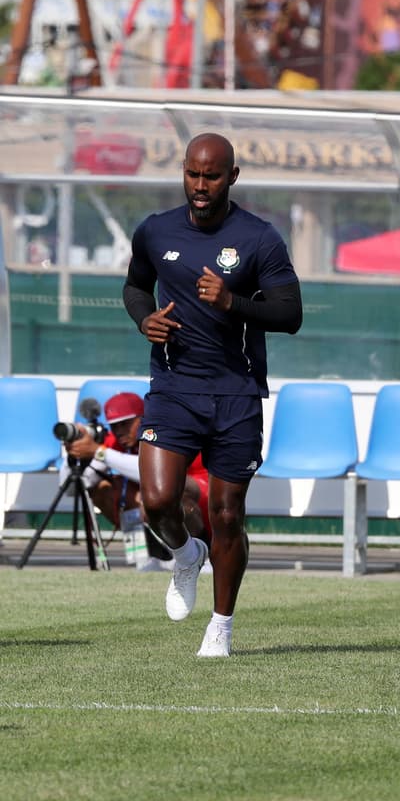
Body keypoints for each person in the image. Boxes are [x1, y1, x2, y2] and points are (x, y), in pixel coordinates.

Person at [123, 132, 302, 658]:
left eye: (213, 176)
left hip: (236, 393)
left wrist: (233, 302)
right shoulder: (155, 231)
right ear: (183, 171)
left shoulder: (259, 239)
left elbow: (290, 314)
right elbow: (135, 285)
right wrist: (144, 319)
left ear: (232, 177)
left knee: (228, 514)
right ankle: (184, 555)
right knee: (157, 501)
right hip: (174, 389)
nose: (201, 186)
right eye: (193, 175)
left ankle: (221, 624)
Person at [63, 391, 212, 571]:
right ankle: (156, 555)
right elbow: (73, 488)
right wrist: (74, 453)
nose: (119, 432)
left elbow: (156, 474)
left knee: (162, 490)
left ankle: (200, 555)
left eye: (125, 424)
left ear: (143, 418)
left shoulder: (162, 433)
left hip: (201, 495)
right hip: (165, 504)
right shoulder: (114, 442)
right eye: (114, 426)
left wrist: (98, 452)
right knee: (103, 488)